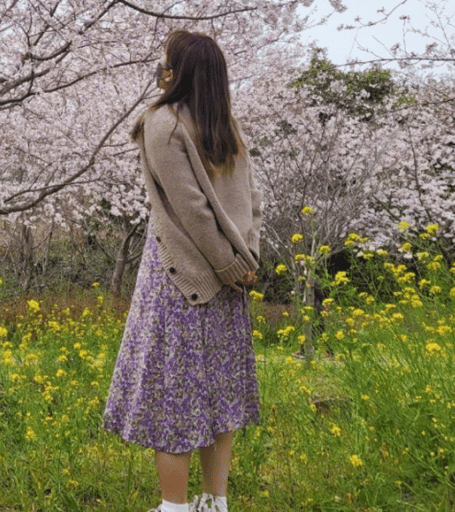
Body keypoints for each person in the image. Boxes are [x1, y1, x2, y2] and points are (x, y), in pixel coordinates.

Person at [102, 30, 263, 512]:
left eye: (168, 61)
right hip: (229, 276)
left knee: (174, 390)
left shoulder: (163, 124)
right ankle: (214, 503)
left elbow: (190, 210)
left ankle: (176, 508)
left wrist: (233, 263)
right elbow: (253, 202)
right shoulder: (226, 125)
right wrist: (244, 261)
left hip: (181, 280)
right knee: (219, 389)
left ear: (180, 71)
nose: (161, 67)